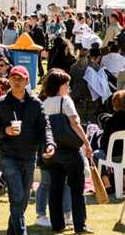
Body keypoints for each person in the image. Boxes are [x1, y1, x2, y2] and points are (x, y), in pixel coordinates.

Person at [0, 66, 56, 235]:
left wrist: (50, 144)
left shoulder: (35, 103)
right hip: (8, 156)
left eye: (20, 79)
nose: (16, 82)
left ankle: (12, 231)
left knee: (23, 199)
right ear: (8, 80)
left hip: (29, 156)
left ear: (27, 81)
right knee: (16, 196)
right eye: (13, 78)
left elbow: (45, 127)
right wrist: (5, 131)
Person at [38, 69, 93, 233]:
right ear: (59, 85)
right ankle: (80, 225)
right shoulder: (65, 101)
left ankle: (57, 225)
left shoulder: (44, 103)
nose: (69, 87)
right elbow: (75, 124)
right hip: (69, 149)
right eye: (66, 84)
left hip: (52, 150)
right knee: (77, 188)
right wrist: (86, 143)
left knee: (55, 188)